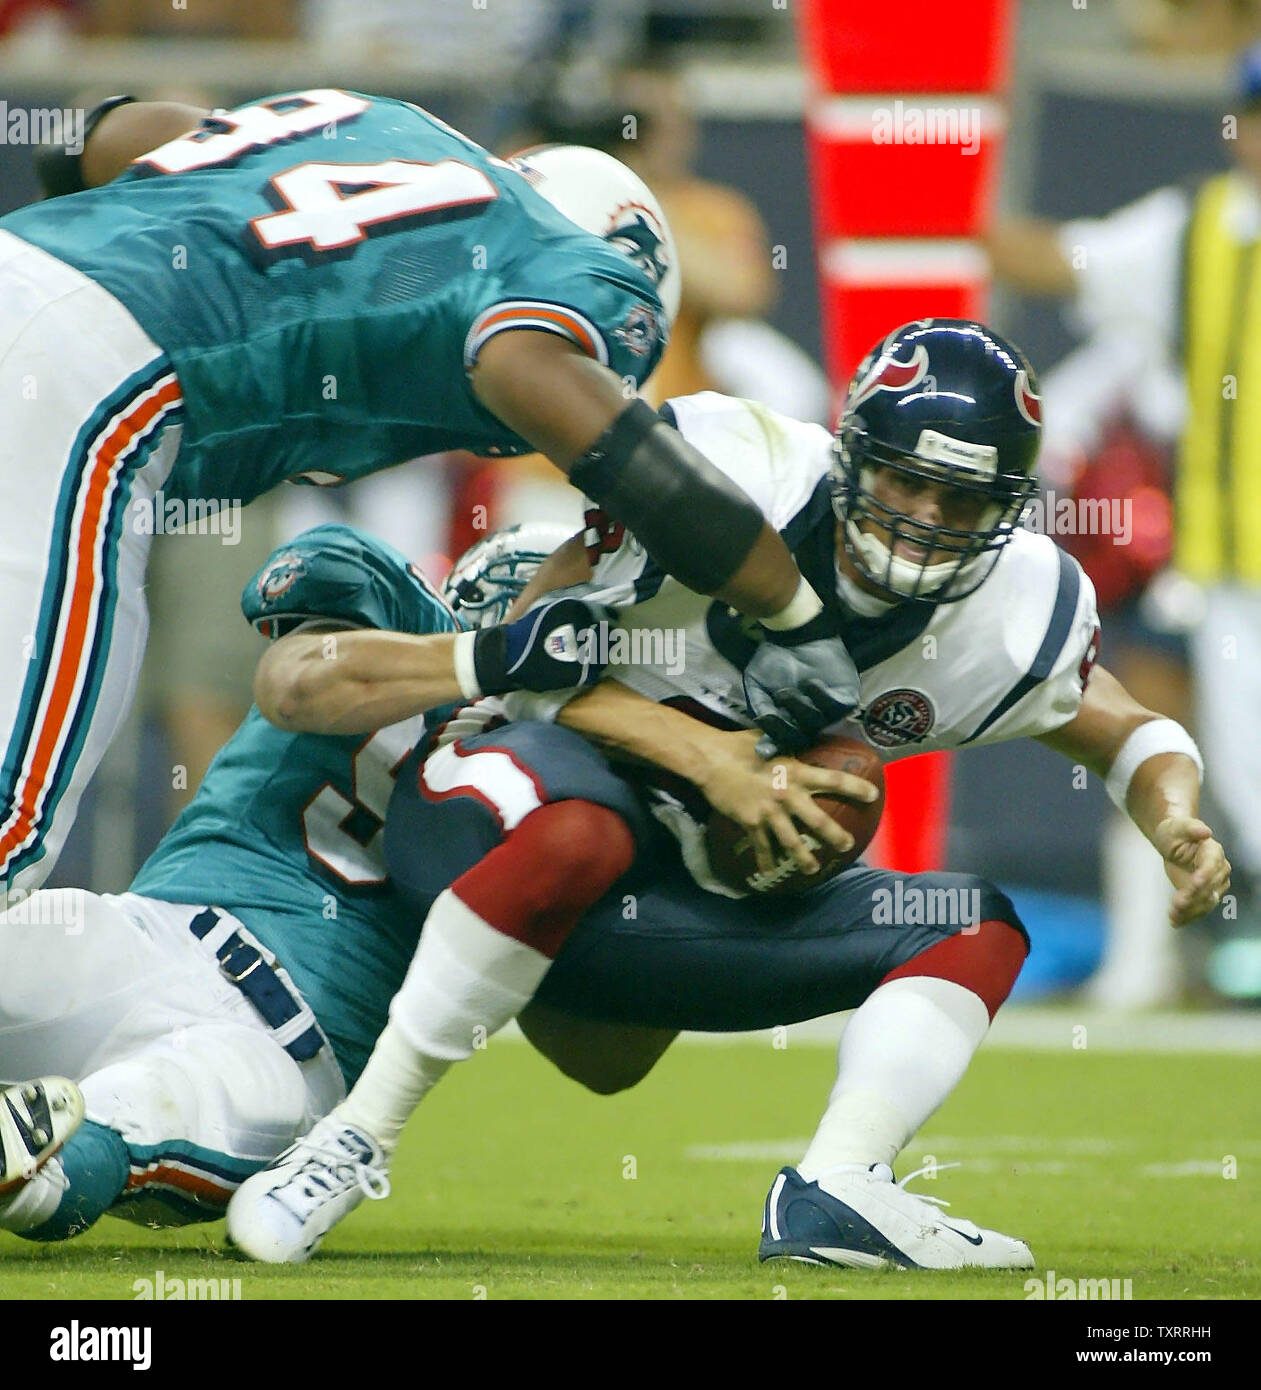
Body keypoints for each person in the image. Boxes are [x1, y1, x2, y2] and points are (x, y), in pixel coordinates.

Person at [225, 320, 1230, 1269]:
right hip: (498, 815)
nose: (926, 520)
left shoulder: (1011, 613)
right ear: (850, 456)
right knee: (582, 834)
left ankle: (840, 1184)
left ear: (1005, 509)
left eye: (960, 502)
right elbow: (526, 659)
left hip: (666, 899)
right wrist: (707, 761)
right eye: (905, 481)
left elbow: (1132, 731)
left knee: (966, 920)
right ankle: (353, 1142)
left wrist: (1174, 815)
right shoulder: (731, 468)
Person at [0, 89, 857, 897]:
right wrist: (793, 612)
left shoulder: (387, 127)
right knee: (16, 826)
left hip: (24, 263)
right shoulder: (573, 264)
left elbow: (96, 138)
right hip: (99, 378)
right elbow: (539, 376)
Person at [0, 522, 857, 1243]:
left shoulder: (580, 807)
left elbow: (604, 1060)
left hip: (287, 1047)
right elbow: (294, 615)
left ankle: (31, 1159)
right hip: (148, 936)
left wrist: (690, 882)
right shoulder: (390, 629)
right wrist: (493, 665)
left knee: (134, 1119)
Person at [987, 42, 1261, 991]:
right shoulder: (1194, 229)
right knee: (1229, 776)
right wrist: (939, 196)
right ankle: (1162, 967)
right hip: (1226, 566)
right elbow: (1056, 257)